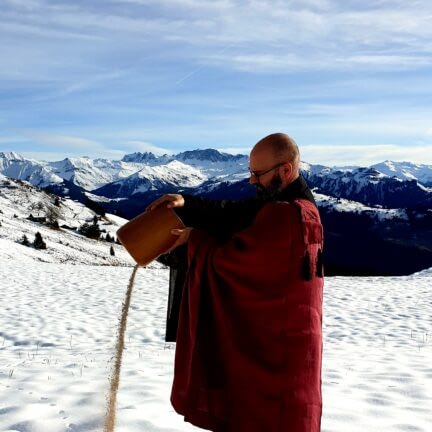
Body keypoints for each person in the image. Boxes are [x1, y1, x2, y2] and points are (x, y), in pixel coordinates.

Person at [148, 133, 324, 432]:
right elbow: (238, 213)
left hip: (275, 349)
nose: (252, 182)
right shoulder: (287, 204)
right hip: (289, 342)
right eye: (250, 173)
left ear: (285, 170)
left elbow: (237, 262)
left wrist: (195, 242)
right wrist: (186, 203)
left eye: (258, 174)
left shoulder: (287, 215)